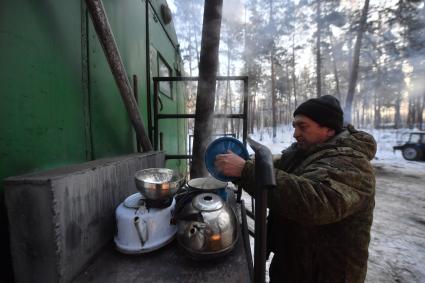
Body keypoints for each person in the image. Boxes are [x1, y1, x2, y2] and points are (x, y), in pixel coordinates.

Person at [215, 95, 376, 283]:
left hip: (326, 274)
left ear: (329, 129)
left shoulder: (352, 164)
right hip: (294, 266)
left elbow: (315, 204)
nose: (295, 133)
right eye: (294, 126)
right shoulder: (306, 152)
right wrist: (246, 162)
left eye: (303, 126)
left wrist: (245, 170)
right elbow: (278, 165)